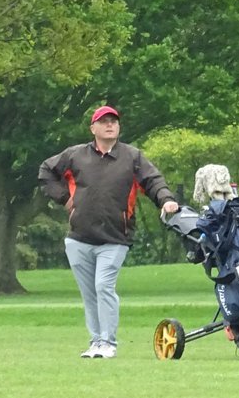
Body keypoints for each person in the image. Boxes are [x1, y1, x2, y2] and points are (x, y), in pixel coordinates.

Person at [39, 105, 179, 358]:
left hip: (115, 238)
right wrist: (65, 200)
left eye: (113, 121)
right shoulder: (75, 155)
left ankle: (109, 343)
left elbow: (153, 180)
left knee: (103, 285)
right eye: (103, 121)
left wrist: (166, 199)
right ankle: (96, 342)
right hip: (79, 237)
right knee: (89, 292)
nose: (110, 125)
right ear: (93, 128)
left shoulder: (132, 157)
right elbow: (46, 172)